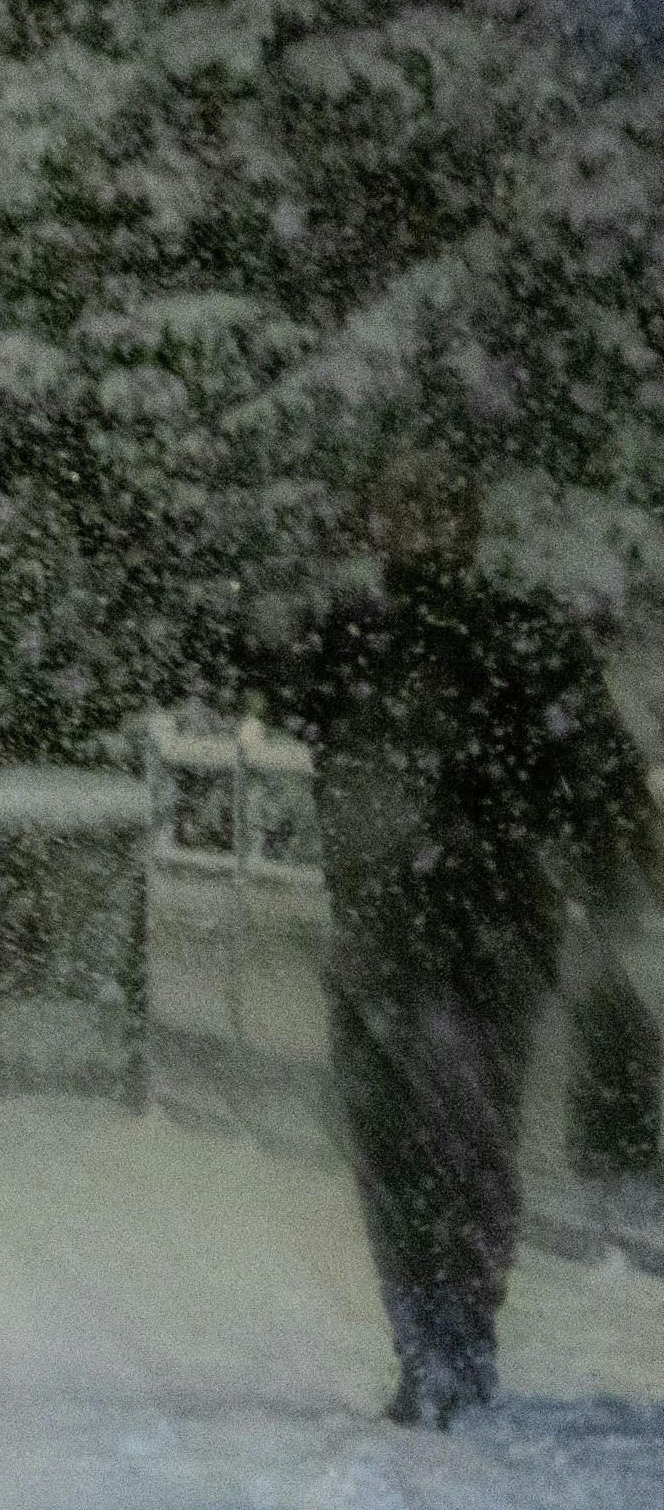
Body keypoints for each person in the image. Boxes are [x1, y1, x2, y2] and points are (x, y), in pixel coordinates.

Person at [236, 446, 659, 1429]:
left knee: (446, 1148)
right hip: (412, 940)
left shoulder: (476, 637)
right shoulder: (366, 635)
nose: (419, 528)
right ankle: (434, 1338)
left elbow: (591, 782)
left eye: (433, 509)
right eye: (403, 509)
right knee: (415, 1149)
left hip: (465, 944)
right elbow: (594, 782)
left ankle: (446, 1341)